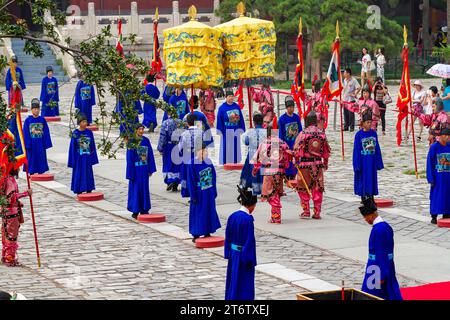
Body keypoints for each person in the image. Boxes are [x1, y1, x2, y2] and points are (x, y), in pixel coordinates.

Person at [360, 198, 403, 300]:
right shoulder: (385, 227)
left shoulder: (379, 230)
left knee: (371, 295)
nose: (365, 219)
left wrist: (381, 275)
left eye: (366, 216)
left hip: (376, 270)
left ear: (371, 215)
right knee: (388, 292)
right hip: (384, 267)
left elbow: (381, 253)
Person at [293, 111, 331, 220]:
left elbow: (296, 150)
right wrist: (326, 163)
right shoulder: (322, 133)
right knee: (318, 188)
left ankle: (306, 210)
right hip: (318, 165)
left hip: (304, 164)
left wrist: (295, 160)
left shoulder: (303, 134)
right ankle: (317, 212)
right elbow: (326, 151)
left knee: (302, 187)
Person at [251, 126, 291, 224]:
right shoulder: (282, 142)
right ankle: (275, 215)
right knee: (276, 192)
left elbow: (257, 158)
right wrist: (285, 167)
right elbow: (288, 155)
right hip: (280, 172)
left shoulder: (264, 143)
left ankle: (276, 216)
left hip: (269, 171)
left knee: (270, 193)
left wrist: (255, 169)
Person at [224, 185, 257, 300]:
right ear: (251, 205)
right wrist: (250, 259)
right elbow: (249, 242)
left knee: (233, 280)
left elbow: (228, 237)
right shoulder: (248, 220)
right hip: (243, 256)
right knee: (244, 283)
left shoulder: (232, 216)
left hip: (233, 253)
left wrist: (228, 253)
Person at [184, 143, 221, 242]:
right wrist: (193, 195)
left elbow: (213, 176)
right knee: (198, 212)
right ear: (198, 151)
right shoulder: (192, 163)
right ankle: (196, 232)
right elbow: (190, 181)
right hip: (199, 192)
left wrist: (213, 191)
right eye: (203, 150)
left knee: (208, 210)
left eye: (206, 150)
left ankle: (207, 230)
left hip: (208, 191)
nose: (206, 152)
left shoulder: (208, 162)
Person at [1, 167, 32, 267]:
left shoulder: (4, 178)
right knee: (11, 236)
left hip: (6, 211)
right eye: (17, 167)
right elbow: (11, 197)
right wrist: (26, 193)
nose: (19, 169)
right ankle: (10, 258)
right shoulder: (9, 180)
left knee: (6, 233)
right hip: (11, 212)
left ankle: (5, 256)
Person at [126, 124, 157, 220]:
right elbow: (130, 158)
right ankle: (135, 210)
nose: (141, 130)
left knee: (144, 189)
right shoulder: (132, 142)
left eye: (142, 129)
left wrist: (150, 169)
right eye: (139, 129)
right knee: (136, 189)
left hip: (144, 169)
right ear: (135, 130)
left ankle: (144, 208)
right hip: (136, 170)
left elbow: (150, 155)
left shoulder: (146, 141)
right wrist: (130, 173)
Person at [353, 111, 384, 203]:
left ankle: (371, 196)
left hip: (371, 161)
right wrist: (357, 164)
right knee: (363, 179)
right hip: (363, 161)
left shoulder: (373, 133)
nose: (369, 124)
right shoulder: (359, 135)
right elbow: (356, 151)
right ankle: (364, 197)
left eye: (371, 122)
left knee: (372, 178)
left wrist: (378, 162)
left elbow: (377, 148)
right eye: (367, 122)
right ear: (363, 123)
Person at [68, 113, 99, 195]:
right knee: (79, 172)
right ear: (79, 123)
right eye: (83, 122)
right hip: (79, 158)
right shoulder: (75, 133)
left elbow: (92, 146)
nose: (85, 124)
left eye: (86, 122)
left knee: (88, 172)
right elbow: (72, 148)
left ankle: (89, 188)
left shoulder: (89, 133)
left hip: (87, 157)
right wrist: (72, 161)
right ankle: (79, 189)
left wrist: (93, 158)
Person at [426, 127, 450, 225]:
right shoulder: (434, 147)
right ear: (441, 136)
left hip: (448, 177)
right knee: (436, 196)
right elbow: (429, 163)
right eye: (446, 136)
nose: (448, 138)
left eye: (449, 136)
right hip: (438, 177)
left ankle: (447, 213)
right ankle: (434, 215)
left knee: (447, 196)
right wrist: (431, 178)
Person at [23, 98, 52, 175]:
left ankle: (41, 171)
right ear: (31, 110)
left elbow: (46, 132)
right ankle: (31, 172)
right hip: (32, 144)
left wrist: (46, 143)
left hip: (40, 143)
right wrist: (28, 144)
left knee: (40, 157)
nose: (36, 110)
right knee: (32, 158)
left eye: (37, 109)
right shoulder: (28, 121)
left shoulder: (42, 120)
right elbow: (25, 133)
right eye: (34, 109)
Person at [157, 112, 185, 192]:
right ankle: (176, 183)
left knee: (168, 163)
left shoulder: (166, 123)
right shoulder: (181, 123)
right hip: (179, 145)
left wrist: (160, 148)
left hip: (168, 146)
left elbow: (163, 136)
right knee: (177, 164)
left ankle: (169, 180)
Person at [216, 90, 246, 165]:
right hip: (226, 129)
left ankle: (235, 161)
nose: (231, 98)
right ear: (226, 97)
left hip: (235, 129)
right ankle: (226, 161)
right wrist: (220, 130)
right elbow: (219, 119)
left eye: (232, 96)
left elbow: (241, 118)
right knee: (226, 146)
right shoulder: (222, 108)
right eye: (229, 96)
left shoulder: (236, 106)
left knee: (235, 145)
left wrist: (241, 128)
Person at [239, 113, 266, 195]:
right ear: (263, 122)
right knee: (263, 171)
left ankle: (245, 186)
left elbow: (246, 142)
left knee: (248, 171)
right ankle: (264, 188)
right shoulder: (267, 132)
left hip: (252, 155)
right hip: (263, 155)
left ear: (254, 122)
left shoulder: (249, 132)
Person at [179, 113, 204, 197]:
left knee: (188, 174)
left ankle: (188, 192)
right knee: (198, 173)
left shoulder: (184, 134)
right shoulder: (201, 132)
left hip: (187, 155)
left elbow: (180, 147)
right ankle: (199, 190)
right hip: (198, 154)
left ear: (187, 123)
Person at [278, 96, 302, 180]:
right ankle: (286, 178)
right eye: (290, 107)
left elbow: (300, 132)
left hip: (295, 145)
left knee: (295, 165)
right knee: (287, 164)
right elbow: (280, 134)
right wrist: (282, 146)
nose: (291, 109)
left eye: (293, 107)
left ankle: (294, 178)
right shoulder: (282, 119)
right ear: (286, 108)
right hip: (287, 146)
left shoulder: (297, 117)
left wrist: (300, 143)